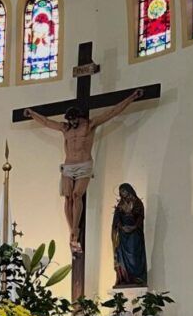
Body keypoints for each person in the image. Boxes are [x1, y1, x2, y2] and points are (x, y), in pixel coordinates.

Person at [23, 89, 143, 251]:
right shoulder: (65, 129)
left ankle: (75, 230)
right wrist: (32, 114)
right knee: (67, 198)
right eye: (69, 120)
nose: (72, 123)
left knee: (76, 195)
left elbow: (112, 112)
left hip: (84, 164)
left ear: (79, 117)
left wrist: (132, 98)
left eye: (74, 120)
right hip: (68, 165)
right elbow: (46, 122)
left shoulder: (89, 124)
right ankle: (71, 230)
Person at [112, 182, 148, 287]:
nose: (122, 193)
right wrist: (121, 227)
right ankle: (125, 278)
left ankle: (137, 278)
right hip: (123, 235)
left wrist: (134, 226)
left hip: (134, 234)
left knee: (134, 255)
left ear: (129, 190)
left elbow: (141, 217)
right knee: (122, 256)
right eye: (121, 191)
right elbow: (116, 219)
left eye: (124, 190)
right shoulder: (120, 205)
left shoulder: (137, 203)